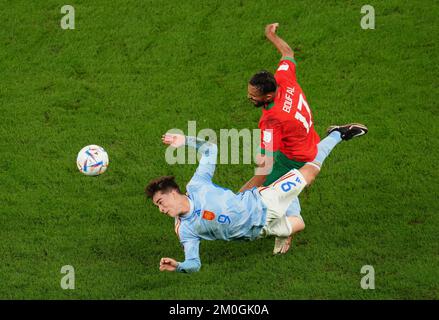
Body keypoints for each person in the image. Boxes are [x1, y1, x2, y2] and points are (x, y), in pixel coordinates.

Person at [146, 124, 367, 273]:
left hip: (262, 201)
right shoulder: (184, 230)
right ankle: (286, 194)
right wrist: (179, 266)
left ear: (173, 193)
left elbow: (210, 150)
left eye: (160, 203)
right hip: (257, 231)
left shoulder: (197, 185)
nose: (161, 209)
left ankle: (338, 133)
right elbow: (194, 263)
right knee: (299, 223)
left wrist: (184, 139)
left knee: (308, 175)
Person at [241, 22, 368, 253]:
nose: (249, 98)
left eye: (253, 96)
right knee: (294, 174)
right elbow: (288, 53)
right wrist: (271, 35)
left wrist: (237, 198)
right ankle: (339, 133)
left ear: (268, 96)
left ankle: (287, 228)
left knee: (267, 189)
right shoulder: (283, 80)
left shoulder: (271, 120)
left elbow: (266, 163)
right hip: (307, 137)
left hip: (295, 156)